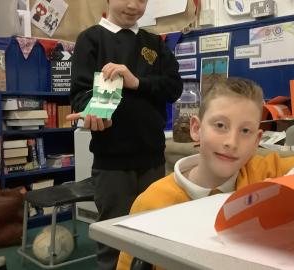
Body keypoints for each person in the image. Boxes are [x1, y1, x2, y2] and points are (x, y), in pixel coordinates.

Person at [116, 77, 294, 270]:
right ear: (196, 128)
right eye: (220, 125)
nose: (231, 142)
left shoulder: (264, 171)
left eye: (245, 131)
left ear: (257, 141)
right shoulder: (153, 203)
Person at [66, 0, 183, 269]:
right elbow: (81, 94)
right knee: (114, 238)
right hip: (112, 161)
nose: (133, 5)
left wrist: (136, 82)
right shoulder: (91, 39)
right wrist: (90, 113)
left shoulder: (154, 43)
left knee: (154, 233)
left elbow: (173, 87)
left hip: (152, 157)